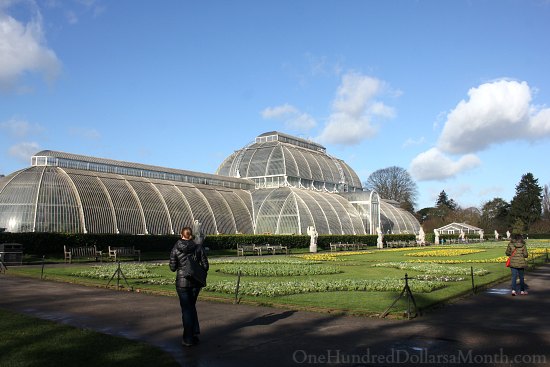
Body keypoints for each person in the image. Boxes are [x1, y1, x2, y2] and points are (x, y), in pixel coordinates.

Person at [169, 227, 209, 346]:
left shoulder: (176, 248)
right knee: (191, 307)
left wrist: (182, 266)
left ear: (181, 235)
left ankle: (188, 338)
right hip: (195, 283)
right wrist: (195, 268)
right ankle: (193, 333)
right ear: (191, 235)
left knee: (187, 309)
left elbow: (172, 268)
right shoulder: (198, 247)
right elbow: (206, 266)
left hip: (182, 283)